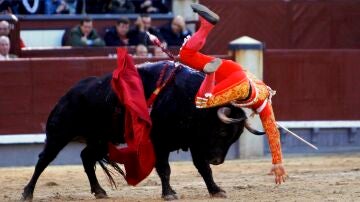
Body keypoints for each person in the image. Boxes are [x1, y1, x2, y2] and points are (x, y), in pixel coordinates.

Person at [150, 3, 287, 184]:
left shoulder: (261, 89)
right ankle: (210, 72)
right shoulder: (262, 104)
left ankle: (207, 24)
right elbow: (272, 131)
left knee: (187, 54)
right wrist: (277, 162)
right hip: (241, 85)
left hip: (234, 69)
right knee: (201, 102)